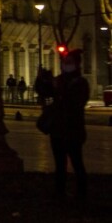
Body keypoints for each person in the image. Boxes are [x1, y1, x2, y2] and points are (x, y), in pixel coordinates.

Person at [41, 49, 89, 199]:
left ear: (76, 64)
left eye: (69, 62)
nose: (65, 65)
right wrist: (42, 80)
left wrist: (58, 89)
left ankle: (81, 193)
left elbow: (75, 102)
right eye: (64, 62)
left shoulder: (80, 82)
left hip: (73, 129)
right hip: (58, 129)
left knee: (76, 162)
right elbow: (45, 92)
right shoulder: (59, 80)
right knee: (60, 164)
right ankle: (59, 191)